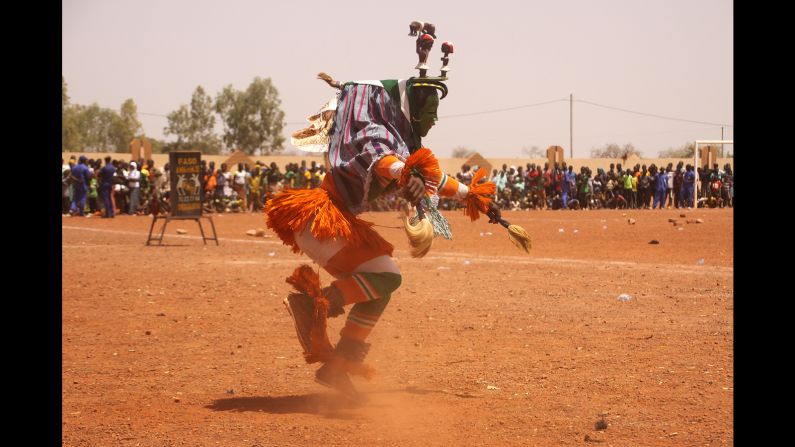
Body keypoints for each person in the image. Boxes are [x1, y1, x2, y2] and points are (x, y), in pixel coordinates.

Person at [267, 27, 500, 400]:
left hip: (331, 224)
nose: (434, 120)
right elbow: (387, 163)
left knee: (381, 287)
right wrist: (406, 174)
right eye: (429, 111)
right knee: (387, 277)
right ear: (411, 106)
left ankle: (338, 367)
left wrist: (473, 195)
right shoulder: (373, 132)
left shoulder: (390, 136)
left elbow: (426, 174)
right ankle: (311, 304)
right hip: (322, 221)